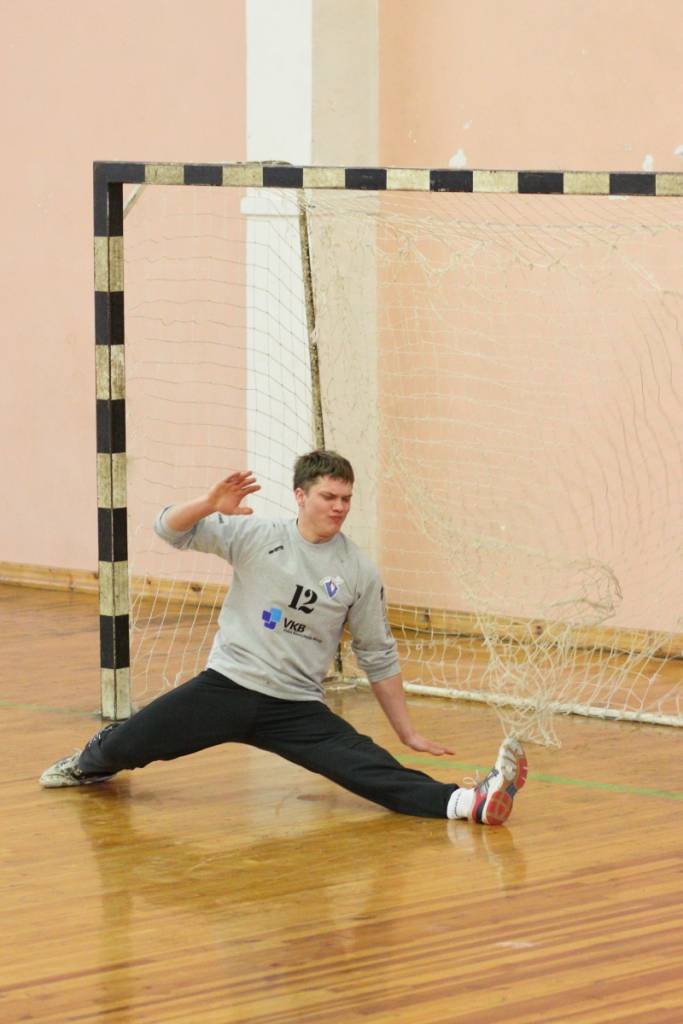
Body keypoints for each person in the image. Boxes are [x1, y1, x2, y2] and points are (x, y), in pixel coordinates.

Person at [40, 450, 527, 825]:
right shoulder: (257, 535)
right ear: (300, 495)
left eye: (346, 499)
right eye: (328, 497)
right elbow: (167, 528)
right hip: (227, 687)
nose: (339, 507)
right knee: (127, 743)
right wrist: (209, 504)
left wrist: (407, 732)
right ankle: (86, 764)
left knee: (367, 767)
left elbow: (377, 654)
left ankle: (468, 802)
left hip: (295, 706)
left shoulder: (358, 570)